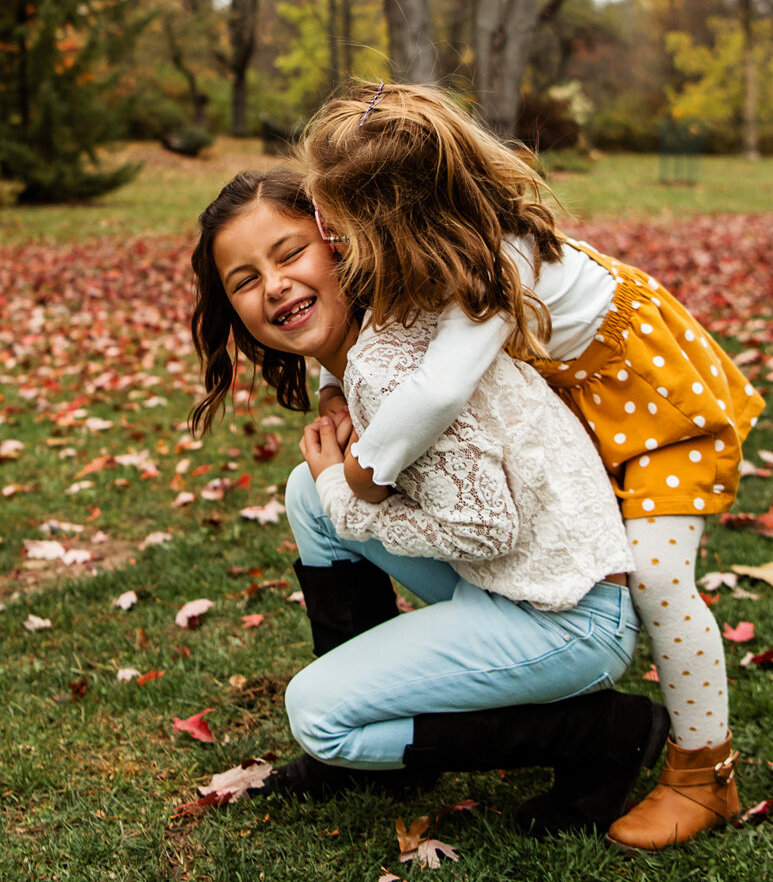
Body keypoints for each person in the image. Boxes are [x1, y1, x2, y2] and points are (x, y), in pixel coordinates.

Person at [299, 82, 764, 851]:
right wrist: (330, 386)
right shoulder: (445, 242)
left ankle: (702, 772)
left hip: (657, 414)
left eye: (334, 222)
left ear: (393, 218)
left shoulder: (497, 264)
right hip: (582, 404)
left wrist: (369, 471)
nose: (328, 237)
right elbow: (374, 306)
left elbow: (442, 386)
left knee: (656, 576)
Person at [189, 167, 668, 836]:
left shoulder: (392, 370)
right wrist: (332, 463)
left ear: (340, 244)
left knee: (318, 712)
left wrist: (344, 493)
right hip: (524, 580)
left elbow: (484, 528)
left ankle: (599, 732)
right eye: (244, 279)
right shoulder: (371, 343)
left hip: (567, 618)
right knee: (308, 491)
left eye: (290, 252)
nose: (273, 284)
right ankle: (381, 748)